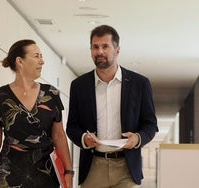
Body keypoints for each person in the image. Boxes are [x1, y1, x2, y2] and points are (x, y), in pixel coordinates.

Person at [66, 25, 158, 188]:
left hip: (127, 169)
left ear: (117, 50)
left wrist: (137, 138)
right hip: (93, 167)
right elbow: (72, 126)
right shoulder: (79, 86)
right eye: (95, 47)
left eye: (105, 46)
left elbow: (150, 125)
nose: (99, 52)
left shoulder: (140, 84)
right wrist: (84, 139)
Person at [0, 39, 73, 188]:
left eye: (41, 56)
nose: (42, 61)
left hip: (46, 173)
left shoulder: (51, 94)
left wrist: (69, 172)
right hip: (10, 174)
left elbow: (59, 136)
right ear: (20, 61)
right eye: (37, 56)